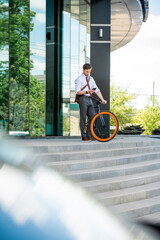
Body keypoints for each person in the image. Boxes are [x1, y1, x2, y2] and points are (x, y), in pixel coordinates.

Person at [75, 63, 107, 141]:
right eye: (86, 71)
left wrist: (102, 99)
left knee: (92, 116)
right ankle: (84, 136)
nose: (88, 73)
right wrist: (87, 92)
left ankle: (90, 134)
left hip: (90, 99)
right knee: (83, 118)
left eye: (89, 71)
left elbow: (97, 90)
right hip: (83, 99)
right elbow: (77, 92)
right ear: (83, 70)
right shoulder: (79, 79)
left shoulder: (91, 79)